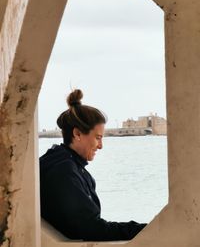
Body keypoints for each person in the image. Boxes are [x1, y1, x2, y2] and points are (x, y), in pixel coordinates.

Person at [40, 89, 147, 241]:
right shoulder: (63, 171)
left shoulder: (65, 164)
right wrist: (147, 229)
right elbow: (92, 229)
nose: (100, 146)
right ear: (77, 134)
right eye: (98, 138)